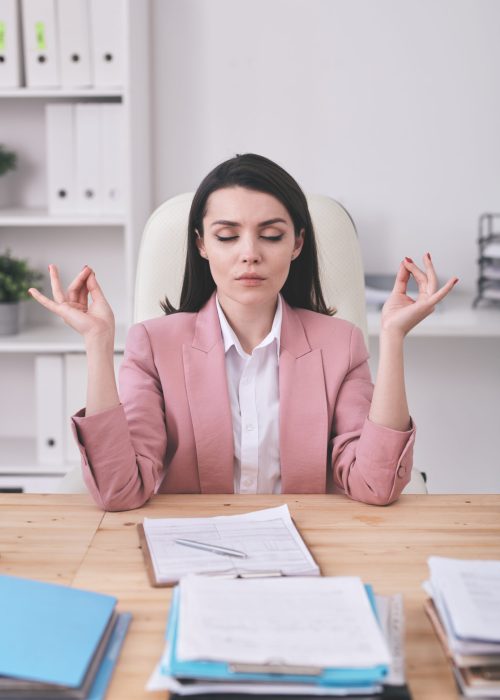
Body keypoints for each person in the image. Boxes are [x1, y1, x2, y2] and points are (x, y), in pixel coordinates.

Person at [29, 154, 458, 511]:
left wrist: (394, 337)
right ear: (201, 245)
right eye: (227, 236)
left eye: (270, 235)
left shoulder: (340, 343)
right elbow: (119, 490)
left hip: (307, 550)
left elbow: (376, 485)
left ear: (297, 244)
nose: (249, 254)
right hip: (194, 550)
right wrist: (99, 345)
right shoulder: (153, 345)